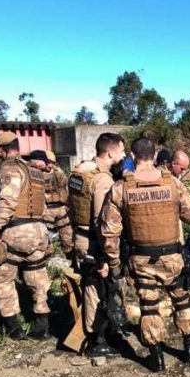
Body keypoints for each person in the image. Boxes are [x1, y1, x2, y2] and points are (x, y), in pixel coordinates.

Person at [99, 136, 190, 373]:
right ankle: (189, 349)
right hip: (172, 257)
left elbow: (109, 232)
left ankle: (156, 357)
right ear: (155, 156)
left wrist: (114, 261)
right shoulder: (173, 184)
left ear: (133, 157)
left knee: (149, 306)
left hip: (141, 258)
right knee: (182, 300)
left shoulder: (120, 188)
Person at [0, 132, 52, 340]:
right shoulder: (35, 171)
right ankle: (42, 325)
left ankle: (13, 327)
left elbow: (8, 201)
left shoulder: (9, 169)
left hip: (16, 231)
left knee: (2, 276)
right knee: (37, 276)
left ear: (0, 150)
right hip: (39, 231)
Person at [66, 133, 126, 357]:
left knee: (91, 287)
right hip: (94, 241)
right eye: (121, 150)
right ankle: (97, 341)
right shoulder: (102, 179)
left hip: (80, 236)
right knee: (98, 289)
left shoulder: (80, 171)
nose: (123, 155)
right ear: (111, 152)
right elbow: (101, 220)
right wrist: (105, 256)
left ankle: (98, 334)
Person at [29, 150, 73, 256]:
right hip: (46, 210)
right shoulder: (36, 174)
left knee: (67, 236)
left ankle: (70, 258)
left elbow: (66, 187)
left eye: (52, 163)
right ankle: (49, 258)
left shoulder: (59, 173)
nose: (50, 165)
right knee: (47, 237)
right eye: (48, 162)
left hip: (61, 209)